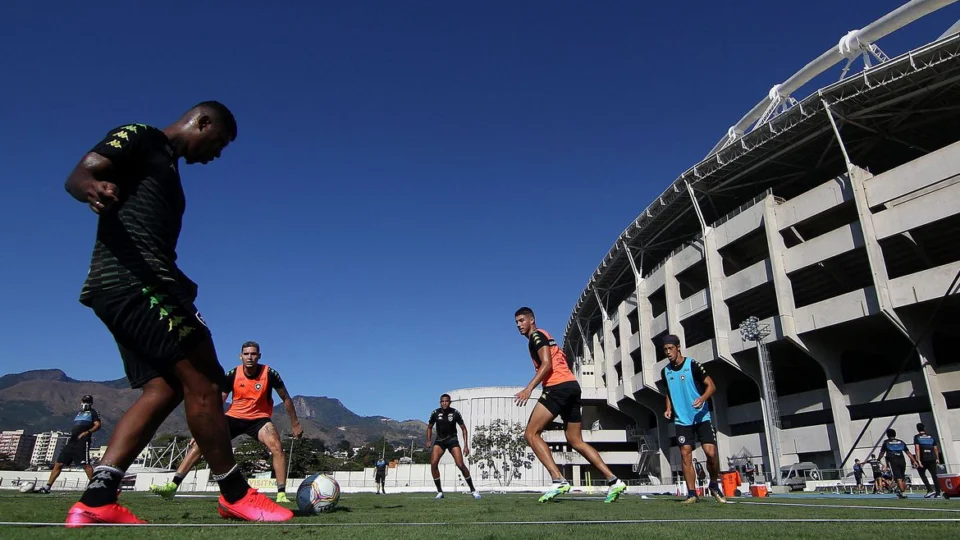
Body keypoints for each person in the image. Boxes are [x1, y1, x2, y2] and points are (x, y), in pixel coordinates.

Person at [63, 102, 292, 525]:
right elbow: (82, 173)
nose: (216, 154)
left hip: (119, 290)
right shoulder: (144, 136)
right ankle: (235, 494)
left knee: (163, 389)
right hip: (140, 284)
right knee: (204, 379)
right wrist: (91, 187)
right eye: (218, 143)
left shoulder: (169, 168)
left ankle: (97, 500)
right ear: (201, 122)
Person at [150, 341, 303, 502]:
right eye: (246, 354)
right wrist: (204, 430)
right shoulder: (232, 375)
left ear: (259, 356)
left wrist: (295, 423)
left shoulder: (270, 374)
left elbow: (285, 397)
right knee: (201, 444)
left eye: (253, 354)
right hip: (234, 417)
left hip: (259, 419)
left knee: (277, 446)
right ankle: (172, 486)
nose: (249, 357)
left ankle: (281, 494)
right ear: (240, 356)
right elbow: (218, 402)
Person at [513, 307, 627, 503]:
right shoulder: (545, 335)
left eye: (522, 320)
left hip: (558, 387)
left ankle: (558, 479)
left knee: (530, 434)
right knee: (576, 441)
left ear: (532, 320)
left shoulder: (537, 336)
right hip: (572, 387)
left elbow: (547, 364)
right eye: (517, 322)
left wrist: (529, 388)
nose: (519, 325)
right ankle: (614, 480)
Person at [660, 334, 725, 504]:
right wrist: (668, 408)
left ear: (678, 347)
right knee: (685, 454)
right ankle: (691, 494)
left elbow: (712, 386)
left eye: (670, 349)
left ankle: (713, 483)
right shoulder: (665, 371)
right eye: (665, 349)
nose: (668, 352)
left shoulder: (693, 365)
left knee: (711, 454)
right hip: (682, 420)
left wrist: (703, 398)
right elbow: (668, 392)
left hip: (701, 417)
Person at [36, 396, 101, 493]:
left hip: (82, 441)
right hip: (72, 441)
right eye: (84, 401)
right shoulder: (79, 413)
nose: (85, 403)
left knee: (85, 464)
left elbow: (98, 425)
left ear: (91, 403)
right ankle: (47, 487)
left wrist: (87, 432)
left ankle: (95, 488)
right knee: (58, 464)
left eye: (87, 402)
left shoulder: (93, 413)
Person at [426, 394, 481, 499]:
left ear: (450, 402)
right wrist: (428, 440)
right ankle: (439, 492)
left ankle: (473, 490)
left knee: (460, 464)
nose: (444, 403)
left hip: (452, 441)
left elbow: (464, 429)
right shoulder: (435, 413)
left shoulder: (455, 413)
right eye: (442, 401)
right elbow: (429, 427)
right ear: (440, 402)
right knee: (433, 463)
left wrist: (465, 446)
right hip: (440, 441)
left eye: (446, 401)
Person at [877, 428, 919, 499]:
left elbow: (882, 452)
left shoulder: (886, 442)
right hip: (902, 460)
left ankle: (902, 492)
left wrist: (878, 459)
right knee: (902, 477)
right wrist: (914, 461)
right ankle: (901, 491)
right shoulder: (901, 442)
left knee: (898, 478)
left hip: (893, 461)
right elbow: (908, 452)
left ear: (887, 435)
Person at [914, 423, 942, 498]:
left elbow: (917, 448)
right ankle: (938, 493)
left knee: (922, 474)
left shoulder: (917, 437)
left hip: (923, 459)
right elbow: (935, 448)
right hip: (932, 458)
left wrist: (918, 460)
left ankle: (930, 490)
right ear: (924, 428)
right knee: (934, 475)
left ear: (917, 429)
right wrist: (937, 458)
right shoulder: (931, 436)